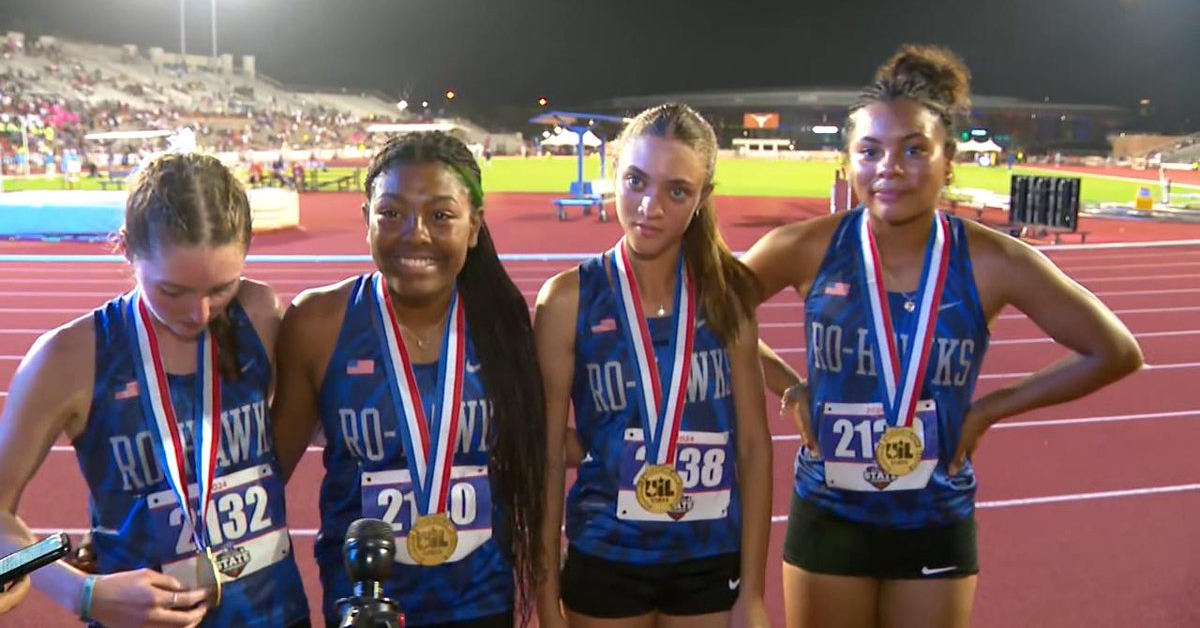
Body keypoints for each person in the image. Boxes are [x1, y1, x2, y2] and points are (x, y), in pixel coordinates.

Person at [741, 45, 1144, 628]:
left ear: (948, 161)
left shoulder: (992, 261)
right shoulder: (804, 247)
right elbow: (703, 318)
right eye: (870, 151)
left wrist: (991, 409)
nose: (890, 168)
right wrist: (789, 385)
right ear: (848, 162)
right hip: (829, 509)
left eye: (914, 150)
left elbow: (1116, 351)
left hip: (933, 512)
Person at [0, 153, 311, 627]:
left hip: (274, 612)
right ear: (126, 249)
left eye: (221, 288)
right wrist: (81, 592)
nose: (201, 313)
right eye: (172, 291)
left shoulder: (259, 314)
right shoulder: (69, 356)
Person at [271, 131, 546, 626]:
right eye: (391, 213)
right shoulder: (318, 322)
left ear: (475, 226)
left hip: (481, 600)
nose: (414, 234)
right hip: (363, 603)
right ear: (366, 220)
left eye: (441, 216)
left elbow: (538, 444)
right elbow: (268, 468)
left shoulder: (502, 323)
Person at [535, 103, 772, 628]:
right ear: (612, 173)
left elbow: (754, 447)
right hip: (606, 554)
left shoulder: (726, 296)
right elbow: (548, 453)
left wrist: (752, 592)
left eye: (677, 191)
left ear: (703, 197)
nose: (650, 206)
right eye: (636, 181)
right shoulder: (569, 299)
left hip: (708, 559)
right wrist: (545, 593)